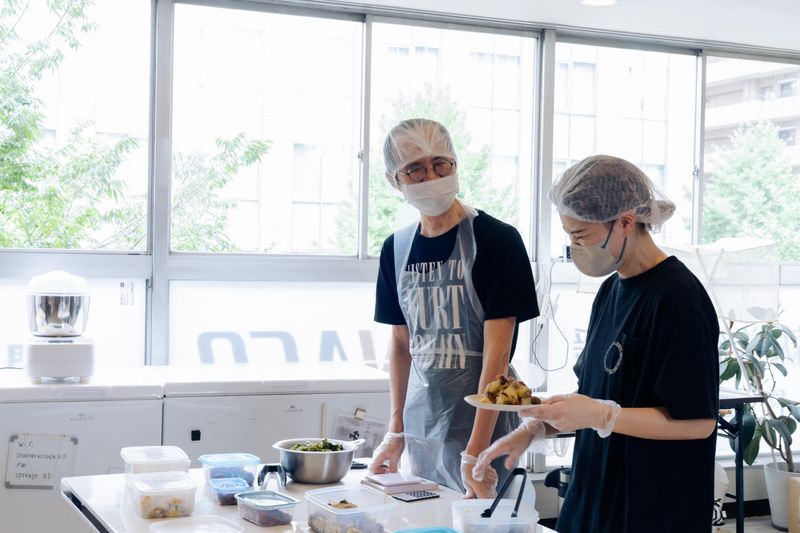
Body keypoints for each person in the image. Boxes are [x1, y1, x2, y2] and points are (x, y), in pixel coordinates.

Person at [473, 155, 720, 532]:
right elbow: (594, 395)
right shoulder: (610, 292)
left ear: (625, 222)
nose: (574, 248)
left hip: (652, 511)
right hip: (593, 501)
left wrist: (604, 416)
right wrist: (534, 429)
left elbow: (697, 422)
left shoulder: (678, 297)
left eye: (580, 236)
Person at [369, 118, 539, 498]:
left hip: (486, 427)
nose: (431, 176)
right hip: (423, 427)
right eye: (415, 168)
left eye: (440, 163)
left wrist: (476, 453)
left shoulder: (497, 241)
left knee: (482, 518)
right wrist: (396, 432)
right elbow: (401, 346)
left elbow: (497, 355)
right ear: (394, 180)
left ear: (455, 163)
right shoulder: (395, 250)